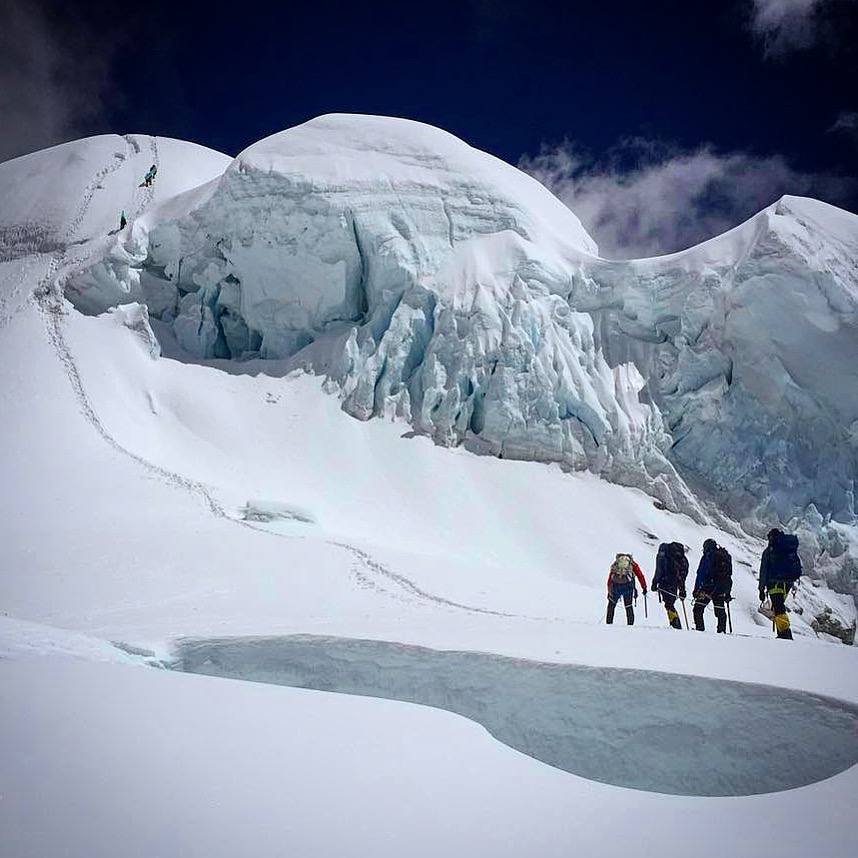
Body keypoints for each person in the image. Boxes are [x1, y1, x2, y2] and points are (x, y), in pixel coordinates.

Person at [759, 529, 802, 640]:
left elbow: (763, 571)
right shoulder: (788, 548)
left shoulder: (770, 551)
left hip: (774, 582)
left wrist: (761, 589)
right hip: (788, 582)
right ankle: (783, 632)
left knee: (778, 608)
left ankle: (785, 633)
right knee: (778, 606)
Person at [692, 539, 733, 633]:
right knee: (720, 611)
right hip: (721, 588)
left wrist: (696, 589)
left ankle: (700, 630)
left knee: (698, 609)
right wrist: (728, 592)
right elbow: (728, 576)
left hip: (708, 588)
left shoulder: (707, 556)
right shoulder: (724, 556)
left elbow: (700, 574)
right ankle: (721, 631)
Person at [651, 541, 688, 629]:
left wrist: (654, 582)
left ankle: (675, 624)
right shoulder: (678, 557)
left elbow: (659, 570)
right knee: (670, 603)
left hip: (665, 582)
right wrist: (682, 589)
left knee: (668, 604)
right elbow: (682, 574)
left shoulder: (662, 555)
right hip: (675, 583)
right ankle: (674, 623)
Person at [605, 553, 647, 625]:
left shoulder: (616, 564)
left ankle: (609, 624)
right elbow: (640, 575)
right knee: (628, 606)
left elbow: (610, 578)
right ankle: (630, 625)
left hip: (616, 587)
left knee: (611, 606)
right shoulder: (633, 564)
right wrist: (644, 587)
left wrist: (609, 590)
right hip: (628, 588)